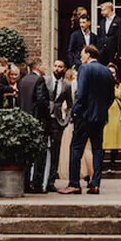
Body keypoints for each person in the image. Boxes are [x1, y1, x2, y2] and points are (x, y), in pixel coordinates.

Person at [62, 45, 114, 194]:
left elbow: (82, 93)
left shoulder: (84, 69)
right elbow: (110, 96)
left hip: (84, 116)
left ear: (89, 55)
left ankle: (74, 184)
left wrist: (76, 112)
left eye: (82, 54)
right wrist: (102, 109)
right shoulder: (106, 70)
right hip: (100, 116)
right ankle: (95, 183)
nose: (80, 57)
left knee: (76, 148)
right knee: (98, 150)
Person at [16, 58, 51, 193]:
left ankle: (25, 183)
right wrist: (46, 114)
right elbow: (41, 100)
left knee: (27, 155)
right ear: (39, 66)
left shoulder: (23, 80)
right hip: (37, 121)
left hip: (25, 120)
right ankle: (37, 184)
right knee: (39, 155)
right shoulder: (39, 80)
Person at [43, 59, 69, 191]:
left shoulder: (66, 85)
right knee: (42, 150)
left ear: (64, 69)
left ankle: (51, 181)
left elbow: (70, 105)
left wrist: (65, 121)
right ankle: (39, 179)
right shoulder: (45, 81)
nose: (57, 69)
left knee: (55, 151)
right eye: (56, 66)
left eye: (60, 66)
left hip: (57, 121)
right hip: (44, 119)